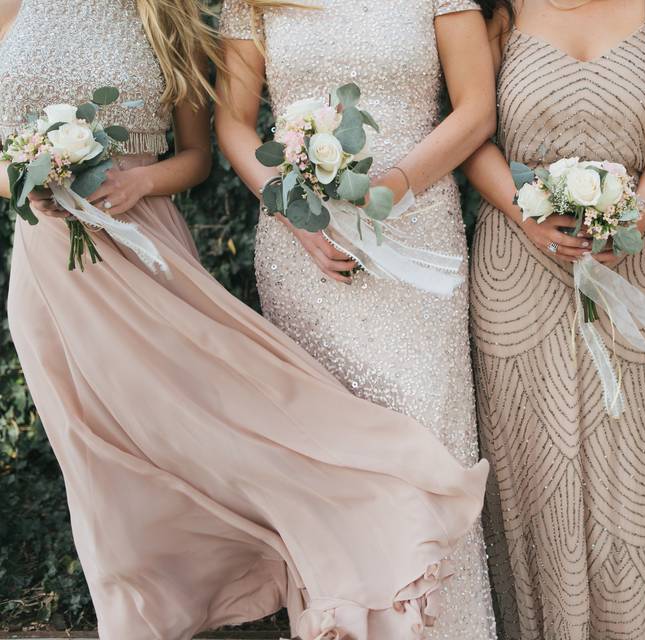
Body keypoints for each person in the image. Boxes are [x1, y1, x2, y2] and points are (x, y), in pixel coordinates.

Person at [0, 1, 488, 638]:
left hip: (185, 252)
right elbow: (229, 126)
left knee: (305, 429)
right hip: (55, 271)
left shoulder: (165, 14)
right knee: (100, 474)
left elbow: (197, 154)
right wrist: (25, 182)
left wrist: (143, 182)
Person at [463, 0, 645, 637]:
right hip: (517, 262)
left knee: (629, 446)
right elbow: (471, 132)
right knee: (531, 457)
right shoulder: (501, 11)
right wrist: (525, 213)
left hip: (625, 258)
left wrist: (634, 218)